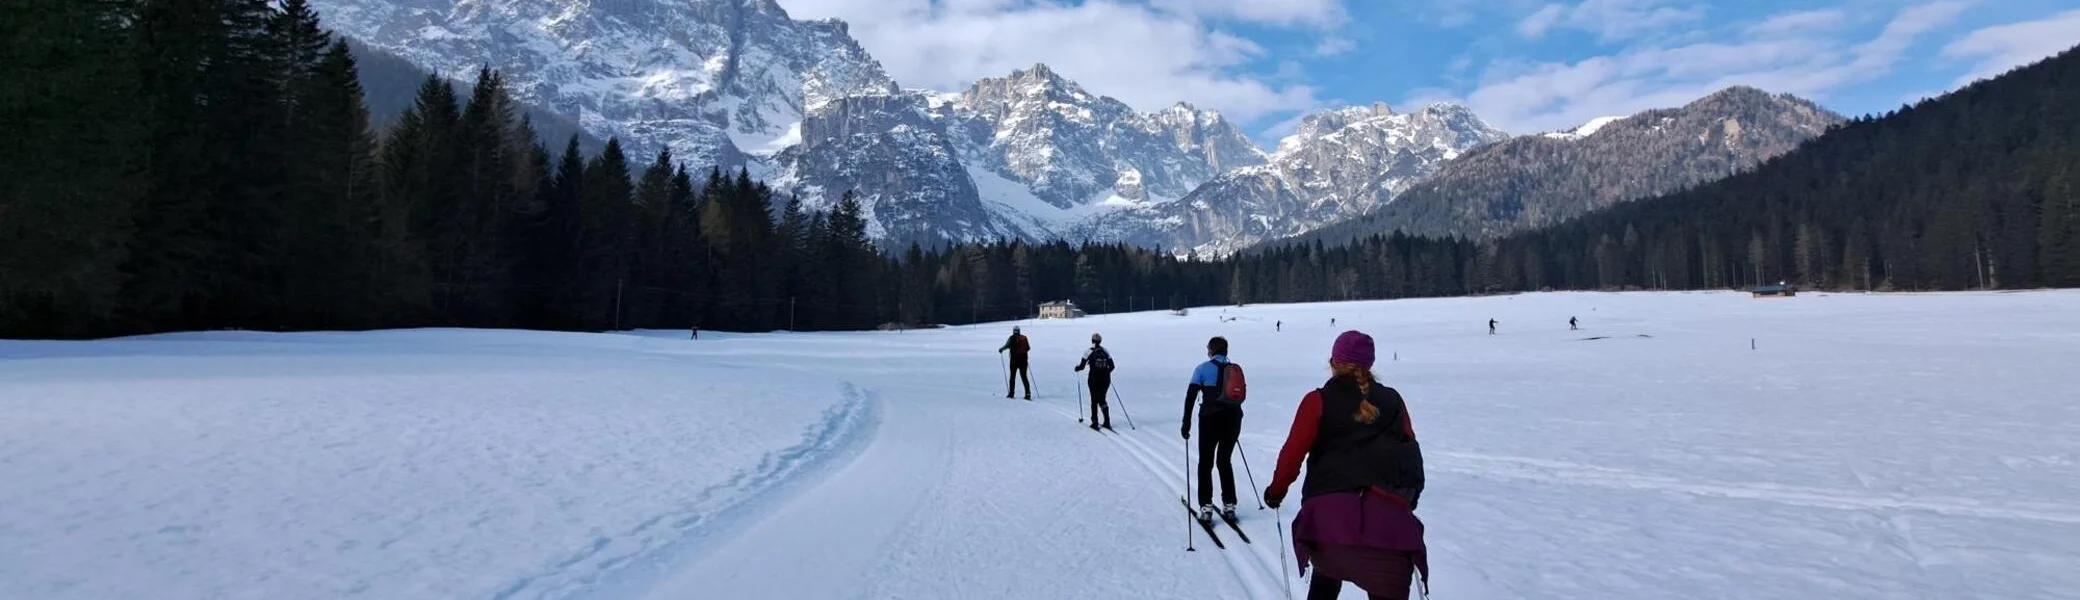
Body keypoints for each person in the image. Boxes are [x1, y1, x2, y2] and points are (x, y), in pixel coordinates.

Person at [1264, 331, 1427, 600]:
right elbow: (1410, 456)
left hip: (1329, 519)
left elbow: (1292, 454)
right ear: (1369, 365)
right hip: (1390, 526)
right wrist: (1404, 504)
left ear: (1334, 362)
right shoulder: (1394, 400)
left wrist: (1276, 492)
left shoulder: (1317, 400)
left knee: (1328, 568)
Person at [1182, 336, 1243, 522]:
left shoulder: (1202, 369)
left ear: (1211, 350)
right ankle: (1229, 506)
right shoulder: (1235, 369)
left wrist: (1186, 422)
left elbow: (1191, 396)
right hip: (1233, 419)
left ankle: (1206, 508)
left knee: (1206, 462)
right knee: (1225, 461)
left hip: (1210, 419)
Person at [1075, 333, 1115, 430]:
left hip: (1093, 378)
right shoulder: (1105, 351)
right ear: (1100, 341)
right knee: (1102, 398)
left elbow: (1082, 366)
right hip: (1105, 379)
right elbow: (1112, 366)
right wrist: (1106, 373)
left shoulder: (1088, 351)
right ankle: (1107, 421)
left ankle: (1095, 422)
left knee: (1094, 399)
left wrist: (1077, 368)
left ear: (1092, 340)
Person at [999, 326, 1032, 400]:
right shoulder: (1024, 338)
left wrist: (1001, 349)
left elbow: (1007, 346)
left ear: (1013, 331)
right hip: (1023, 360)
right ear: (1019, 331)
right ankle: (1028, 394)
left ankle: (1011, 394)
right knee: (1024, 377)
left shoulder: (1011, 338)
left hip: (1014, 360)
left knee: (1012, 377)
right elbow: (1028, 348)